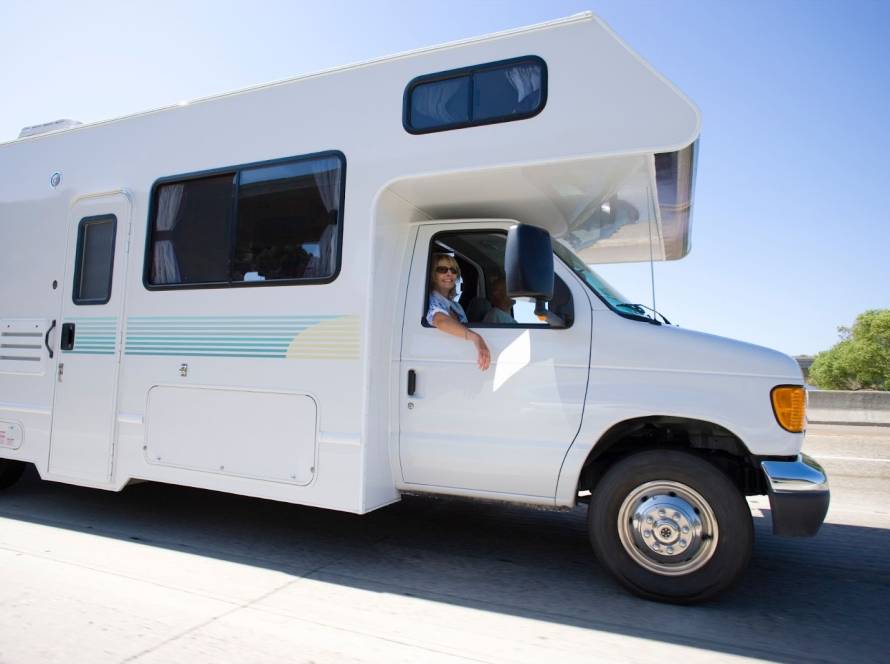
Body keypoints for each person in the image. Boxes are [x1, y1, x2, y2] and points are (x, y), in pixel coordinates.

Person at [426, 253, 491, 371]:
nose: (449, 273)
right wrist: (476, 338)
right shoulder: (429, 299)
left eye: (453, 270)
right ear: (432, 275)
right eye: (442, 269)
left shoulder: (457, 306)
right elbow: (440, 320)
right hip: (441, 365)